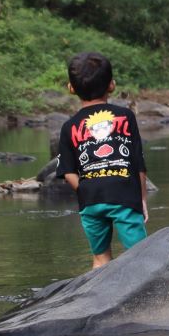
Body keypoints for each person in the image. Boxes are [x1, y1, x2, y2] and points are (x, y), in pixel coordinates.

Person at [57, 51, 149, 269]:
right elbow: (138, 162)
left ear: (71, 88)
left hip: (91, 198)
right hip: (125, 194)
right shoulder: (126, 116)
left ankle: (99, 299)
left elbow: (67, 171)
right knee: (141, 256)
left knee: (100, 257)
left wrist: (86, 189)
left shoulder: (69, 126)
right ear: (112, 85)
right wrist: (141, 198)